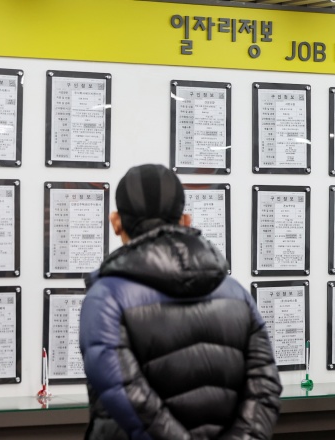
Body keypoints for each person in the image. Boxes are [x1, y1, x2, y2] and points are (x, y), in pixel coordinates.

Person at [79, 164, 282, 440]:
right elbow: (264, 385)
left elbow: (126, 396)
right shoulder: (235, 293)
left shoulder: (106, 298)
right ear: (185, 220)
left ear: (116, 223)